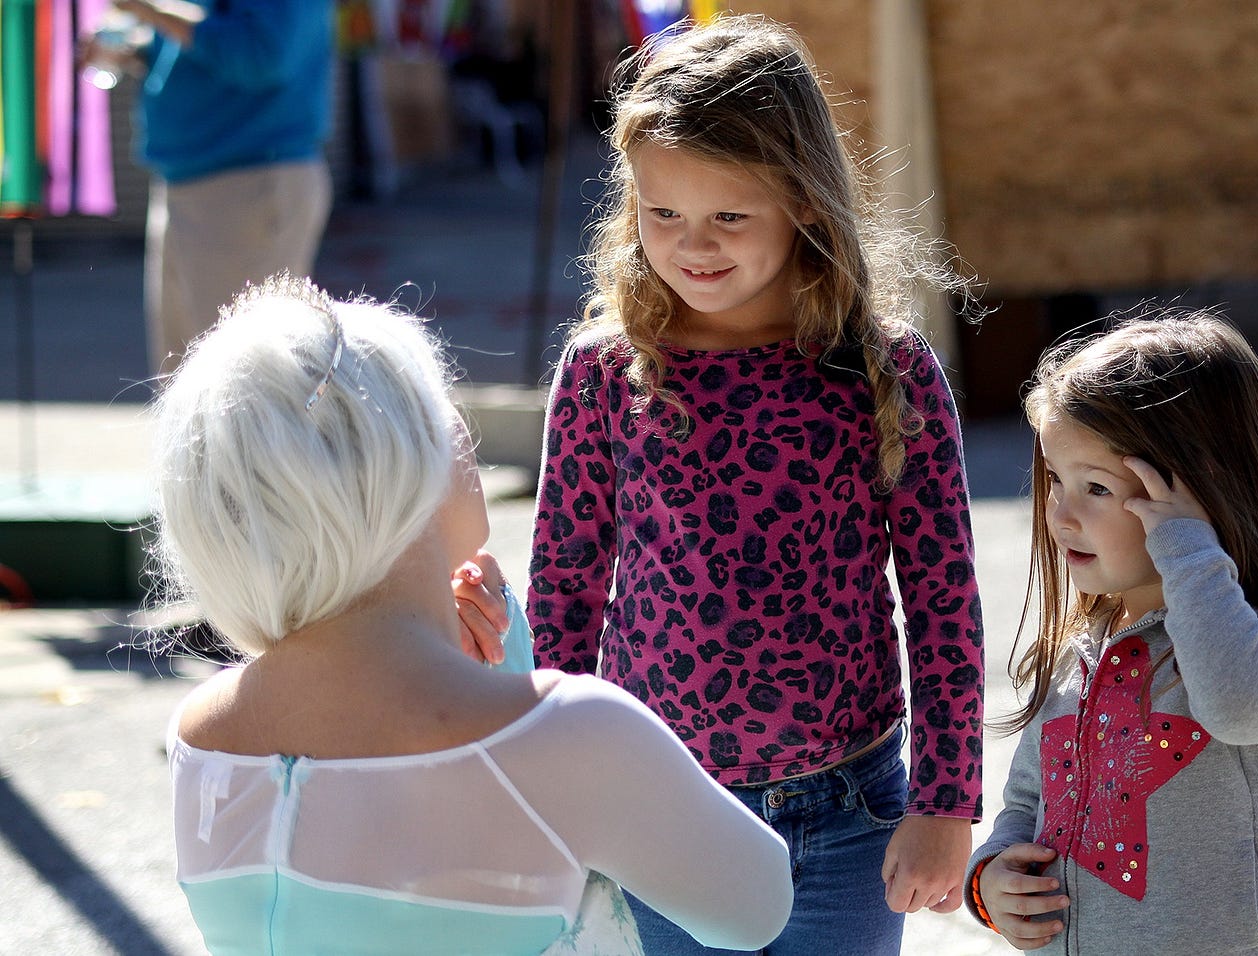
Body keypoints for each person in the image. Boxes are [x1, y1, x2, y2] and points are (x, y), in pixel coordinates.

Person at [151, 273, 794, 955]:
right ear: (396, 464)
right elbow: (756, 906)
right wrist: (516, 683)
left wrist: (495, 662)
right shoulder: (577, 729)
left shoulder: (201, 736)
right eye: (440, 407)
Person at [525, 15, 985, 954]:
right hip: (656, 816)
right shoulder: (606, 372)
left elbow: (942, 599)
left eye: (730, 216)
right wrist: (559, 795)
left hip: (850, 817)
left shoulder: (883, 372)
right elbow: (566, 592)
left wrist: (947, 800)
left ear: (806, 203)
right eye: (664, 215)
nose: (694, 245)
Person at [964, 312, 1258, 954]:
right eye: (1056, 482)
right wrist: (995, 875)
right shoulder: (1076, 653)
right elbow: (1028, 802)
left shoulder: (1257, 643)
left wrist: (1186, 549)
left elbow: (1235, 709)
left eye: (1096, 487)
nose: (1060, 514)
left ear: (1201, 492)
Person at [81, 0, 334, 378]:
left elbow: (263, 55)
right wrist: (134, 49)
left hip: (247, 183)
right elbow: (194, 46)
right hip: (191, 183)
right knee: (183, 380)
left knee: (242, 386)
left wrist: (150, 10)